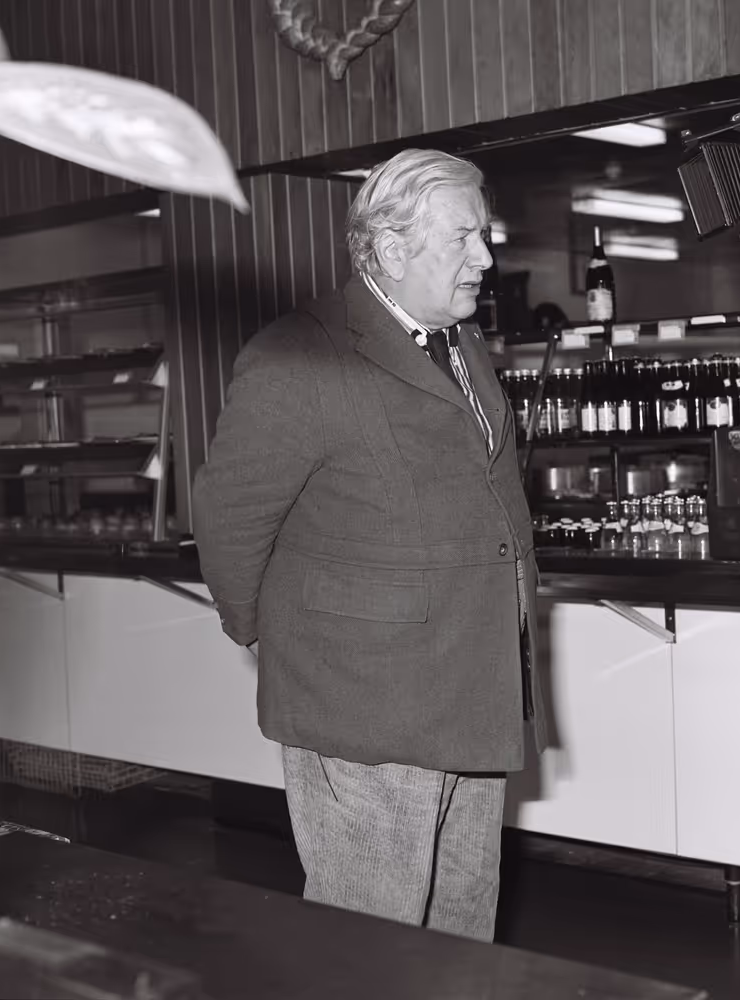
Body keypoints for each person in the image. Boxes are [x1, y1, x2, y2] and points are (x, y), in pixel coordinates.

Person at [192, 148, 547, 943]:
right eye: (463, 237)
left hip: (474, 684)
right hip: (365, 701)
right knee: (369, 940)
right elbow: (228, 517)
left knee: (462, 924)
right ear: (392, 249)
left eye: (483, 235)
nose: (485, 258)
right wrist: (279, 637)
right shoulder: (301, 355)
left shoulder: (462, 343)